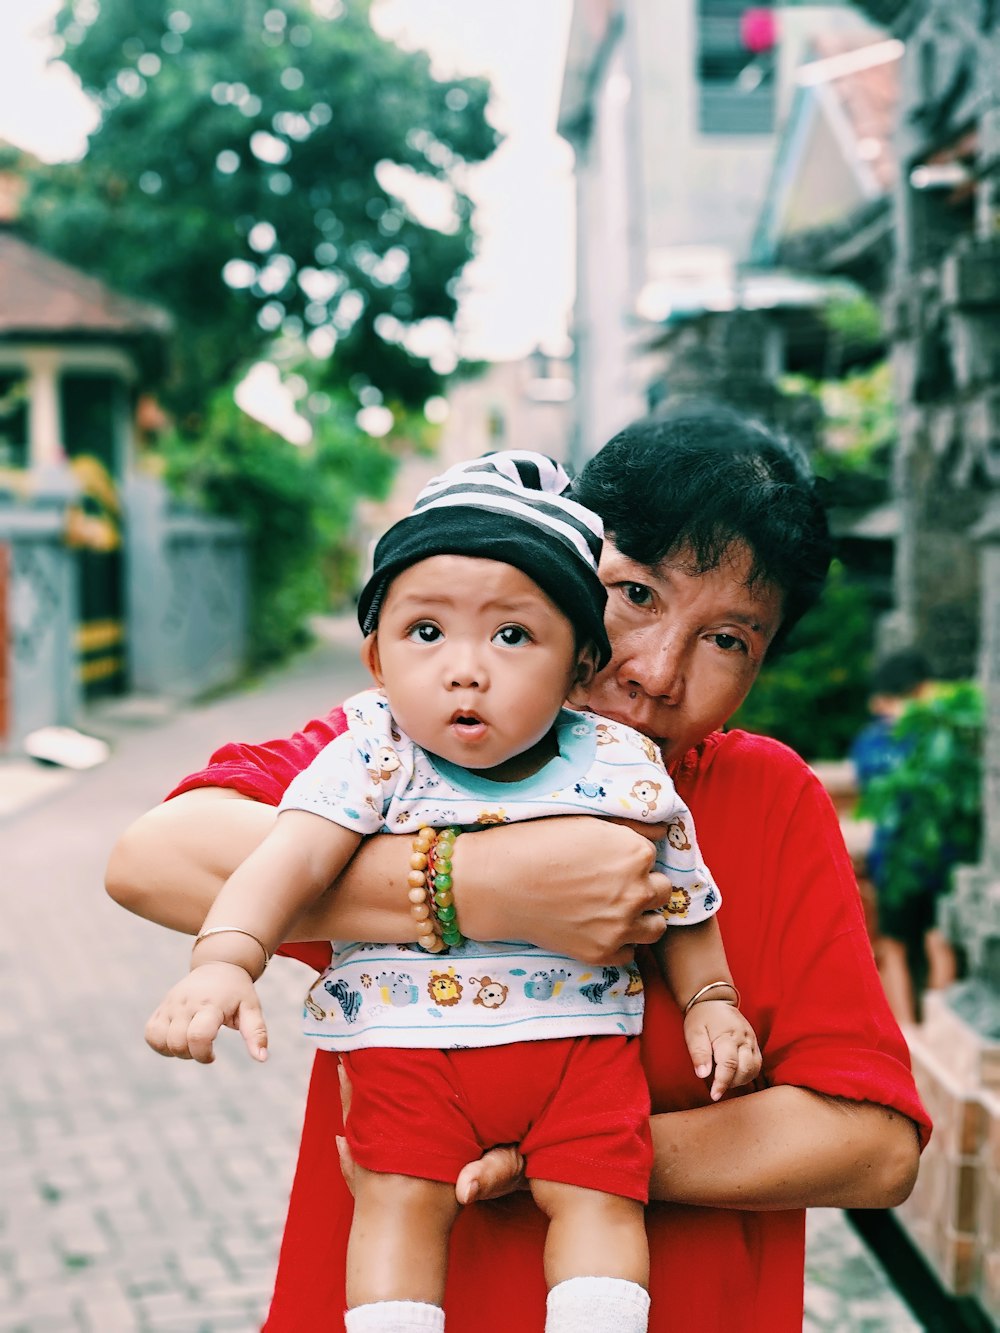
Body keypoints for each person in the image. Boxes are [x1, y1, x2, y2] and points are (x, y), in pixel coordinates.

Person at [107, 402, 932, 1333]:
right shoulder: (412, 740)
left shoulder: (765, 798)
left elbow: (872, 1145)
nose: (658, 671)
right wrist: (481, 885)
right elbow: (152, 857)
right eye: (638, 595)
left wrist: (573, 1150)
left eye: (728, 639)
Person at [850, 648, 957, 1025]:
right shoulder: (928, 736)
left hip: (923, 856)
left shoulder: (885, 740)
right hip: (905, 858)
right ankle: (911, 1031)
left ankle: (926, 1028)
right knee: (915, 940)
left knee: (930, 938)